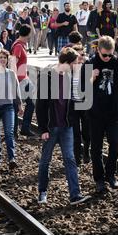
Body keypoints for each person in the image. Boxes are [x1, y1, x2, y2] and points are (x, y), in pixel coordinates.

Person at [36, 47, 91, 205]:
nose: (76, 65)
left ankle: (75, 194)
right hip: (51, 126)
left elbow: (70, 102)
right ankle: (42, 192)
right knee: (46, 160)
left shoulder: (67, 76)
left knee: (70, 159)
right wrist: (43, 129)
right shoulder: (47, 76)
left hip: (66, 126)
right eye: (74, 63)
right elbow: (41, 105)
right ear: (66, 62)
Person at [82, 36, 118, 193]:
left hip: (113, 112)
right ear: (97, 50)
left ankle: (111, 174)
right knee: (96, 148)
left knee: (115, 144)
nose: (108, 58)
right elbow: (81, 90)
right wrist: (90, 78)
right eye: (105, 55)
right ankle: (99, 179)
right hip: (95, 113)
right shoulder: (89, 63)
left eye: (110, 54)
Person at [10, 25, 35, 138]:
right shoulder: (18, 46)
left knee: (31, 102)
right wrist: (15, 80)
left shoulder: (22, 45)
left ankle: (24, 128)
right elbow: (13, 63)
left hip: (24, 78)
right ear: (28, 34)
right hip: (19, 80)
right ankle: (14, 131)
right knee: (16, 106)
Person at [70, 44, 90, 166]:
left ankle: (86, 150)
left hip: (85, 103)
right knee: (75, 133)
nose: (81, 57)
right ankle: (77, 157)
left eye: (82, 55)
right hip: (72, 105)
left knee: (87, 132)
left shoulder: (88, 66)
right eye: (78, 55)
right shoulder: (68, 69)